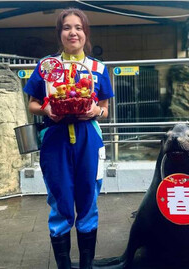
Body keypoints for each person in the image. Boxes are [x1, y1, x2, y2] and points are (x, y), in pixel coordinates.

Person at [23, 8, 114, 269]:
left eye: (78, 27)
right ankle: (63, 265)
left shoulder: (98, 68)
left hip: (89, 140)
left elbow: (105, 109)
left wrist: (96, 111)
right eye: (66, 27)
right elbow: (32, 103)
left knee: (88, 200)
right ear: (59, 33)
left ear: (85, 33)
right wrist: (46, 109)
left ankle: (86, 265)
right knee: (60, 201)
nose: (72, 32)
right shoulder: (46, 65)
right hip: (55, 140)